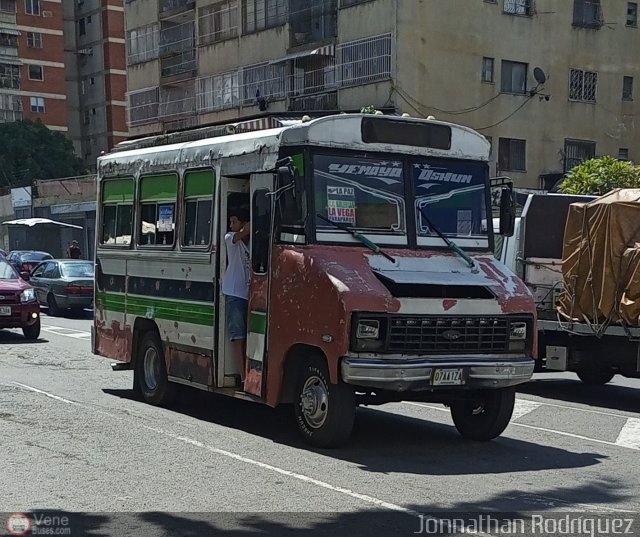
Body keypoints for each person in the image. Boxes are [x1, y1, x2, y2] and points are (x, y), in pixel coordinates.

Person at [222, 208, 250, 386]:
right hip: (234, 293)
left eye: (234, 221)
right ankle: (243, 377)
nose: (230, 225)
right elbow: (242, 233)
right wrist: (246, 227)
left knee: (248, 337)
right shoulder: (230, 238)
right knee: (238, 337)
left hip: (248, 294)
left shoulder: (250, 244)